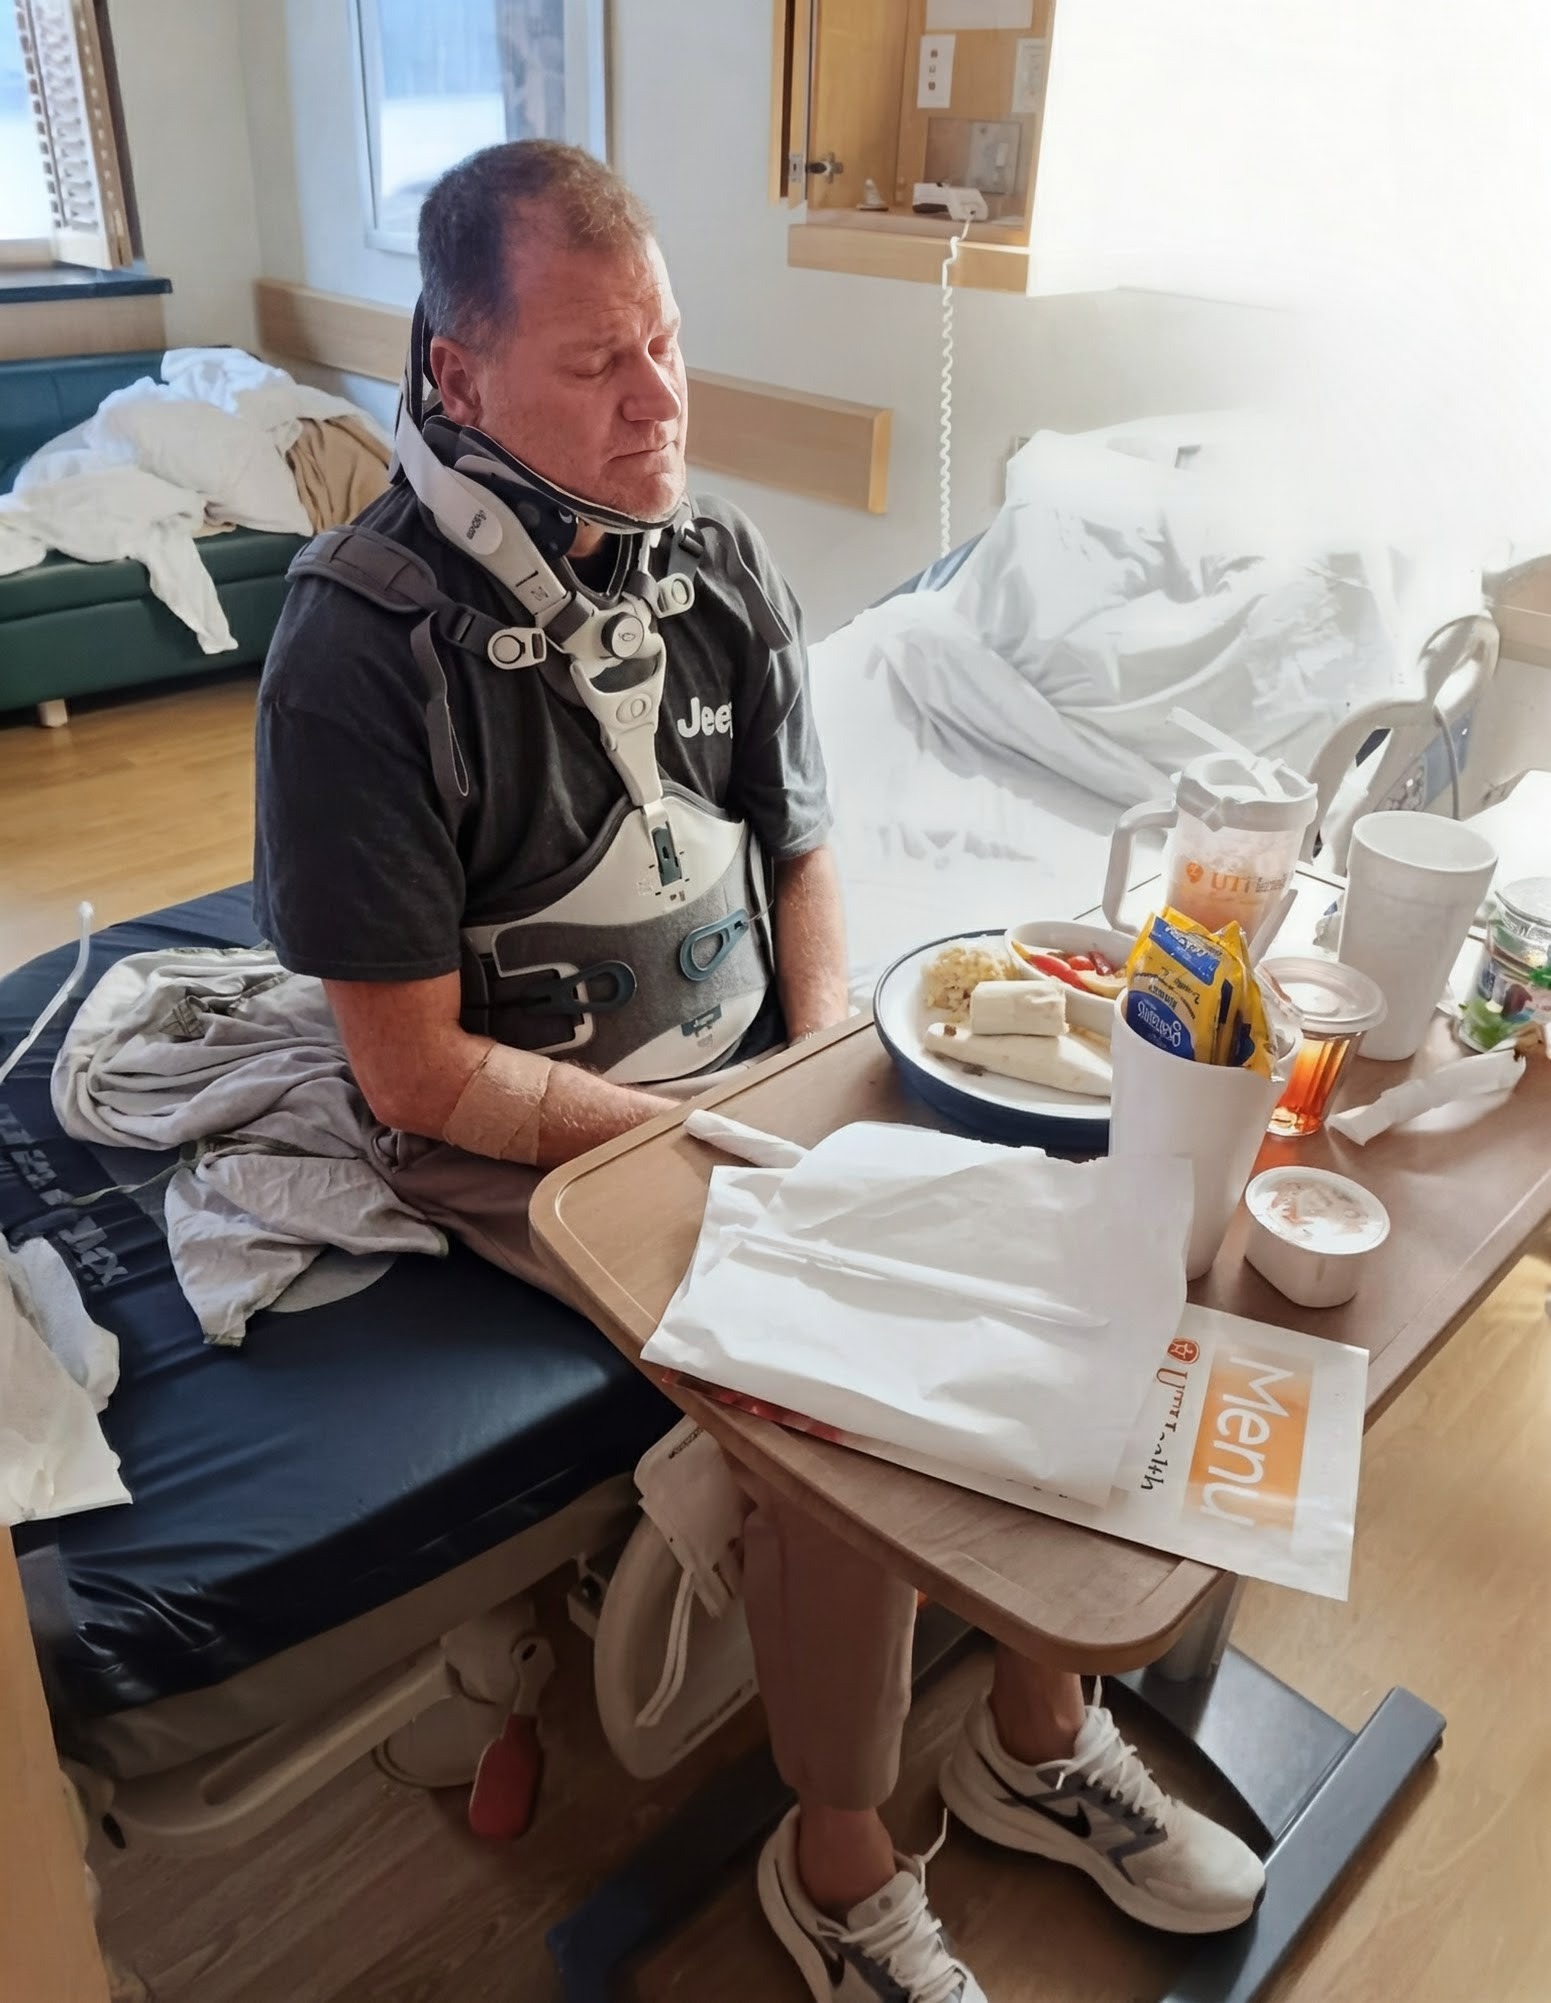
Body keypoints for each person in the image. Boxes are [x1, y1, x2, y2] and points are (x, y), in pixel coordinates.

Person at [254, 140, 1263, 2003]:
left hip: (749, 1068)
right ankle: (840, 1870)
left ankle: (1038, 1736)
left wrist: (817, 1065)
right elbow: (411, 1075)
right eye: (596, 363)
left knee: (1077, 1228)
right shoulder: (357, 648)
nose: (660, 400)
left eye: (668, 342)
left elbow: (797, 850)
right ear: (457, 374)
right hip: (519, 1131)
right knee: (832, 1373)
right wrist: (703, 1143)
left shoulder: (717, 562)